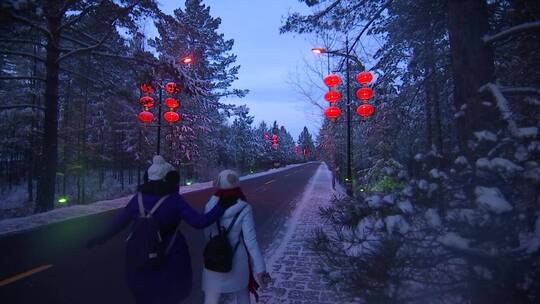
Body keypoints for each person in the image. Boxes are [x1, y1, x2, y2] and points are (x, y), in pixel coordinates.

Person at [87, 155, 233, 304]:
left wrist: (99, 238)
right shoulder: (174, 200)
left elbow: (117, 224)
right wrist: (221, 206)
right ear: (170, 179)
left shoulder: (137, 199)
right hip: (170, 258)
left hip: (139, 257)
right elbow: (199, 222)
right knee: (168, 297)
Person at [202, 169, 271, 304]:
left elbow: (206, 233)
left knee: (211, 296)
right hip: (237, 259)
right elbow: (251, 241)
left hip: (213, 257)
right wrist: (261, 269)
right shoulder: (244, 208)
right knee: (243, 293)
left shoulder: (209, 206)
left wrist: (214, 245)